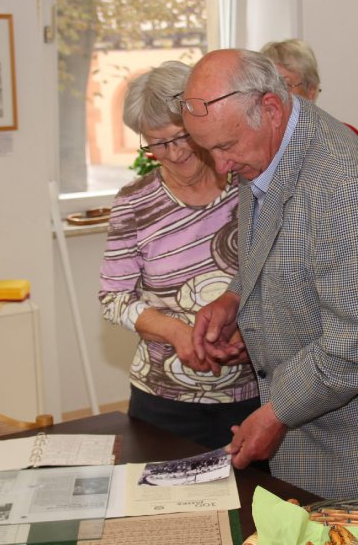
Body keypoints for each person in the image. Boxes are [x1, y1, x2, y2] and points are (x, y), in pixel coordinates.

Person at [178, 49, 358, 500]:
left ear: (270, 108)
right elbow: (277, 241)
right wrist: (234, 296)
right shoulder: (266, 143)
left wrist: (275, 414)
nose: (221, 166)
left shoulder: (346, 189)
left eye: (225, 147)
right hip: (321, 402)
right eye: (208, 150)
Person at [99, 61, 260, 451]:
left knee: (257, 490)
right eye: (157, 143)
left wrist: (251, 332)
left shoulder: (250, 188)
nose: (172, 153)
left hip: (256, 394)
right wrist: (178, 334)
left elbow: (283, 278)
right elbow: (114, 299)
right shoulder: (134, 203)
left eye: (181, 137)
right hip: (162, 399)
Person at [260, 38, 358, 139]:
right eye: (267, 86)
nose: (273, 94)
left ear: (311, 90)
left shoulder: (342, 138)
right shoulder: (256, 139)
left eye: (285, 85)